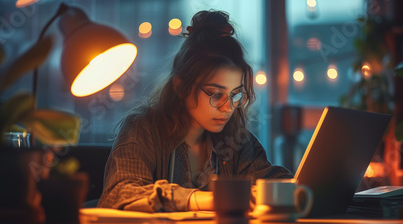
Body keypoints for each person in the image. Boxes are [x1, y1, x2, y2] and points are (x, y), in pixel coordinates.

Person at [97, 10, 292, 212]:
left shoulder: (237, 140)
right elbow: (120, 193)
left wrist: (292, 189)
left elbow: (272, 181)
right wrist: (206, 200)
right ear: (181, 87)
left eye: (235, 95)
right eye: (216, 94)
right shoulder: (143, 129)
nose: (228, 107)